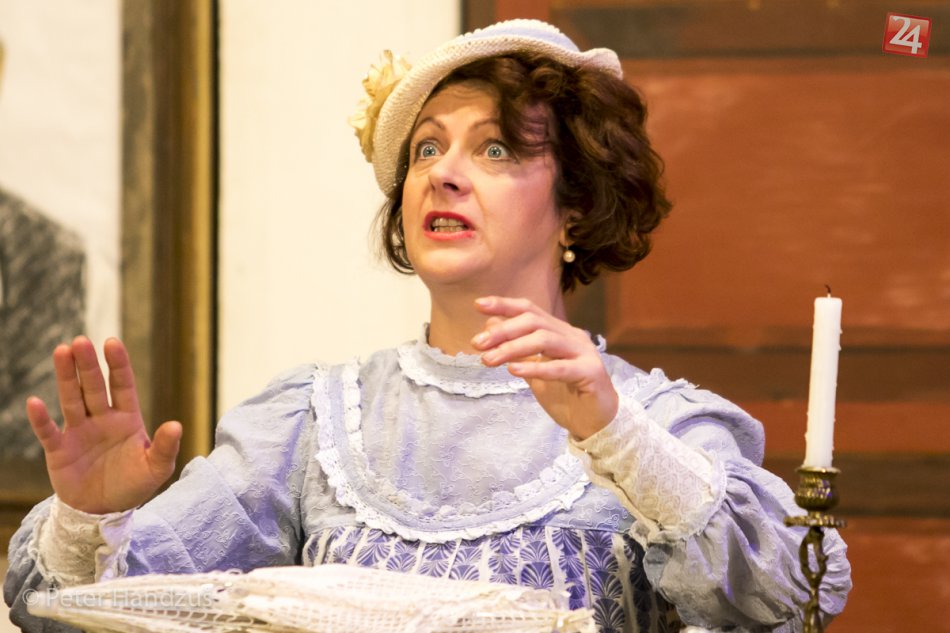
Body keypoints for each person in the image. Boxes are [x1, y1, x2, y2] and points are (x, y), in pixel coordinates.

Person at [3, 19, 851, 633]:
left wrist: (614, 436)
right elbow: (83, 607)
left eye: (495, 149)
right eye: (426, 149)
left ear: (575, 204)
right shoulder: (313, 423)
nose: (444, 173)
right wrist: (90, 519)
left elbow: (790, 592)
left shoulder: (657, 425)